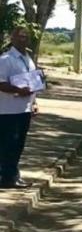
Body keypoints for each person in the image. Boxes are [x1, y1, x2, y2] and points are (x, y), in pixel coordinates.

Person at [0, 27, 41, 189]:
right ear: (12, 38)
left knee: (18, 145)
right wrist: (18, 90)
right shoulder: (5, 59)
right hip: (8, 110)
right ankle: (8, 177)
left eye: (25, 36)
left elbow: (33, 83)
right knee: (9, 145)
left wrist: (34, 103)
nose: (23, 39)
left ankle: (12, 174)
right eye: (20, 36)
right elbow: (1, 83)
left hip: (24, 109)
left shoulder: (28, 59)